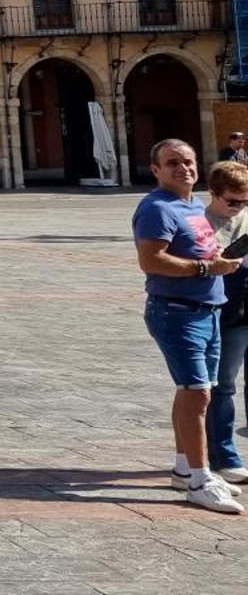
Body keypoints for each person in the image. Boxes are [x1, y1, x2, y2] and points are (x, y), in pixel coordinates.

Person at [134, 139, 244, 513]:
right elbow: (151, 261)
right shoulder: (156, 208)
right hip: (178, 312)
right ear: (156, 170)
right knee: (197, 393)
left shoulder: (191, 205)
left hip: (207, 309)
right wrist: (205, 269)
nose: (183, 169)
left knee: (194, 390)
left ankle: (184, 468)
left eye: (188, 161)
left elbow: (196, 251)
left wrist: (216, 260)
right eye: (173, 163)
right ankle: (199, 479)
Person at [207, 161, 248, 489]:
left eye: (245, 202)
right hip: (227, 308)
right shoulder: (201, 221)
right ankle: (224, 455)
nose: (239, 208)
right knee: (224, 384)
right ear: (213, 193)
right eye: (232, 201)